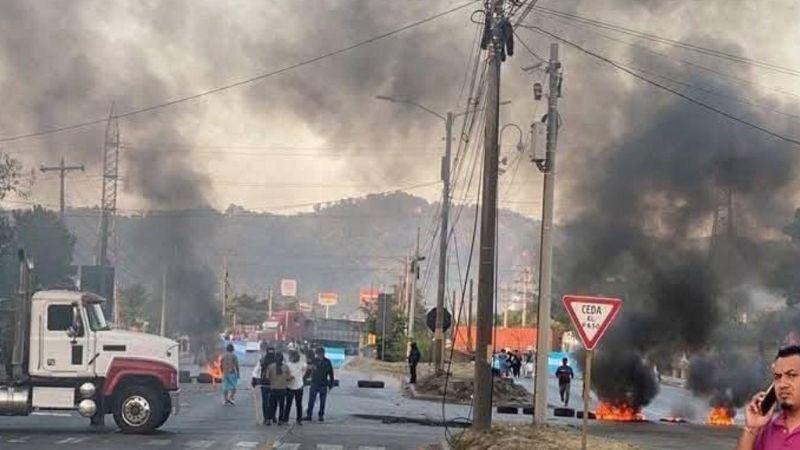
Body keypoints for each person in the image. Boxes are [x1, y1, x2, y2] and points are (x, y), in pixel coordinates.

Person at [738, 345, 800, 450]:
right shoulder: (768, 429)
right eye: (778, 377)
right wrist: (751, 428)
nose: (782, 384)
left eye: (791, 375)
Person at [305, 347, 335, 422]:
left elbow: (331, 373)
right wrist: (304, 379)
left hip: (323, 384)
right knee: (311, 400)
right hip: (314, 383)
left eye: (320, 354)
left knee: (322, 401)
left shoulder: (327, 362)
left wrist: (331, 383)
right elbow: (308, 371)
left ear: (323, 354)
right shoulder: (314, 361)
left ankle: (321, 415)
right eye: (318, 354)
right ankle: (309, 415)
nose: (319, 355)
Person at [265, 352, 292, 426]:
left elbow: (267, 377)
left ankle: (269, 419)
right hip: (282, 389)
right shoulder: (286, 367)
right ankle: (280, 420)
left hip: (273, 388)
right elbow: (289, 378)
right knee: (281, 406)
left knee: (271, 405)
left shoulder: (270, 366)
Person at [253, 346, 277, 425]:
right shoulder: (277, 360)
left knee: (265, 401)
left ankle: (266, 418)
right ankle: (272, 416)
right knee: (273, 401)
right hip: (274, 383)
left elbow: (256, 370)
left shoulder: (262, 360)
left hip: (264, 383)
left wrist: (254, 379)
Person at [282, 350, 307, 426]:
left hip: (299, 386)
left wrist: (302, 376)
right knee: (288, 404)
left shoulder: (301, 364)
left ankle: (299, 419)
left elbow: (306, 368)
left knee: (298, 404)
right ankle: (285, 419)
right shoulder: (288, 365)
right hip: (290, 386)